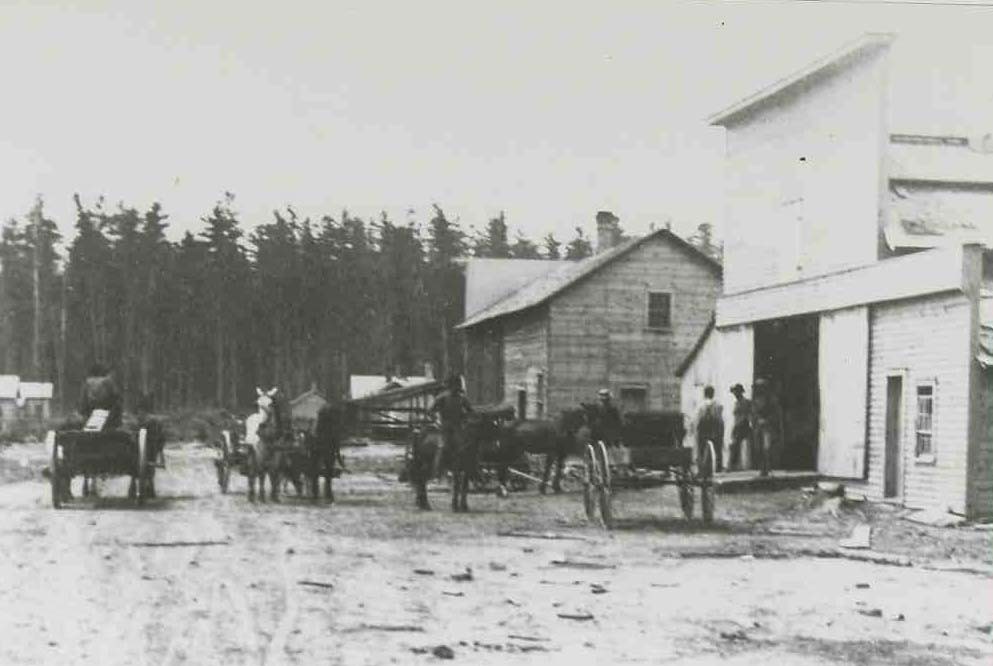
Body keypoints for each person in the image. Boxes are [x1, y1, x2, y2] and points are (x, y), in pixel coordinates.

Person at [427, 375, 474, 476]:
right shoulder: (442, 398)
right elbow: (431, 411)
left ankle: (470, 468)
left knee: (468, 446)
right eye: (455, 386)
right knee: (443, 446)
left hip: (459, 427)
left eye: (458, 386)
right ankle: (437, 469)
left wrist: (466, 418)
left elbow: (471, 412)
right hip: (446, 427)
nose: (456, 389)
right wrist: (436, 420)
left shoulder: (462, 399)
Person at [751, 378, 782, 477]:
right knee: (759, 448)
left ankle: (768, 468)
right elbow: (753, 412)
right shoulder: (755, 400)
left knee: (767, 448)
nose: (759, 389)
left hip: (768, 427)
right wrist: (757, 420)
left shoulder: (772, 400)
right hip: (758, 427)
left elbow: (776, 413)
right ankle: (762, 469)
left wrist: (767, 420)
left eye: (761, 387)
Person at [78, 363, 123, 431]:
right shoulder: (108, 381)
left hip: (91, 413)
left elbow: (83, 401)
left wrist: (83, 412)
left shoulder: (87, 382)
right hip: (107, 413)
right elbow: (116, 396)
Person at [695, 385, 725, 473]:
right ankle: (718, 468)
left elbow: (698, 419)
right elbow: (720, 419)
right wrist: (721, 431)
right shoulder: (718, 404)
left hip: (704, 429)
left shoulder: (701, 405)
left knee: (701, 449)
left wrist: (697, 430)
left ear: (705, 394)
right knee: (718, 449)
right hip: (715, 428)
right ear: (713, 393)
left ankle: (701, 469)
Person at [729, 383, 752, 472]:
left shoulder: (745, 402)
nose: (735, 394)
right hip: (738, 425)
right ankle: (736, 465)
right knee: (735, 445)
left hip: (743, 425)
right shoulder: (737, 403)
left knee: (736, 445)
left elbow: (747, 415)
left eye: (736, 392)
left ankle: (735, 465)